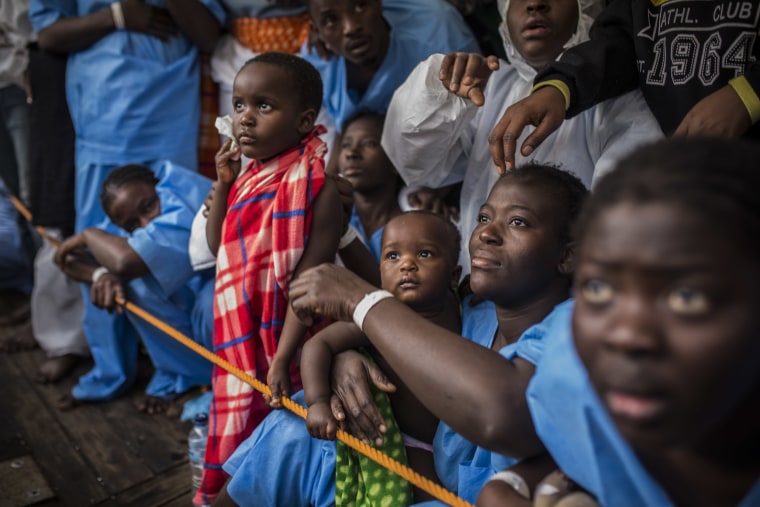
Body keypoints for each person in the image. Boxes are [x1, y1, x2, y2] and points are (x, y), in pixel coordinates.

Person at [218, 164, 587, 506]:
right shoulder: (472, 312)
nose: (487, 234)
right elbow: (399, 313)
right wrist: (349, 355)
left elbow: (502, 415)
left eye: (519, 222)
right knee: (291, 432)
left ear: (567, 256)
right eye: (485, 217)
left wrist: (360, 302)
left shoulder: (574, 333)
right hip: (410, 466)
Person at [479, 137, 760, 506]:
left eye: (687, 298)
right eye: (597, 289)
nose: (625, 335)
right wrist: (509, 487)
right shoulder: (569, 381)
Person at [29, 0, 225, 404]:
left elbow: (210, 32)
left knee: (179, 253)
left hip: (167, 111)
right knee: (103, 250)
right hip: (102, 111)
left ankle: (188, 372)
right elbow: (47, 32)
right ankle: (110, 369)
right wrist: (116, 16)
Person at [382, 0, 662, 270]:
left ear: (586, 9)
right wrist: (442, 95)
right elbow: (417, 166)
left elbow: (626, 215)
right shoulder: (488, 88)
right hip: (484, 296)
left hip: (565, 301)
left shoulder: (619, 100)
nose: (535, 4)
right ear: (503, 16)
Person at [201, 51, 342, 504]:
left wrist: (284, 357)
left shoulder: (317, 184)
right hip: (240, 329)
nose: (245, 118)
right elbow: (217, 246)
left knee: (274, 427)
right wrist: (223, 183)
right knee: (239, 420)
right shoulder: (246, 176)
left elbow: (311, 279)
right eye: (240, 105)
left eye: (264, 106)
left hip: (291, 335)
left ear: (304, 121)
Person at [302, 211, 462, 504]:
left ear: (454, 274)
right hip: (405, 440)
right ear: (379, 271)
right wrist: (317, 402)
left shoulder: (462, 308)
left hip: (450, 440)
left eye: (424, 253)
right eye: (392, 256)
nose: (407, 264)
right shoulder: (378, 319)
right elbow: (318, 344)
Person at [489, 0, 760, 172]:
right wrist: (560, 86)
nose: (535, 4)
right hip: (698, 181)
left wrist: (748, 94)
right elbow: (618, 43)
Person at [54, 163, 216, 416]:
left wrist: (88, 236)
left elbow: (125, 261)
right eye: (132, 225)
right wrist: (101, 274)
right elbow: (66, 259)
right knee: (134, 288)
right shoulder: (129, 220)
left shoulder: (179, 196)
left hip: (237, 294)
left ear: (157, 187)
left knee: (211, 301)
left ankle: (224, 384)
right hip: (195, 309)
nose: (146, 222)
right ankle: (192, 377)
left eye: (149, 206)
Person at [303, 0, 479, 166]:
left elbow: (477, 118)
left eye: (360, 5)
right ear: (317, 31)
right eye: (331, 20)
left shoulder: (436, 30)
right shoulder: (316, 66)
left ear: (379, 3)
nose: (351, 27)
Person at [338, 111, 402, 262]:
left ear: (395, 160)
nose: (351, 153)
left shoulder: (416, 223)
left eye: (368, 143)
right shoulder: (330, 213)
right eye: (346, 145)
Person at [0, 0, 33, 206]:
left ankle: (45, 237)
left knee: (29, 185)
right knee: (10, 190)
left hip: (15, 87)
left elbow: (24, 33)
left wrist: (25, 71)